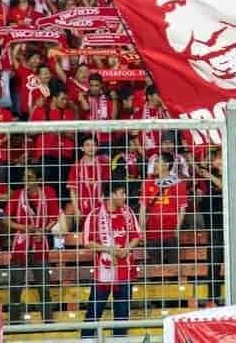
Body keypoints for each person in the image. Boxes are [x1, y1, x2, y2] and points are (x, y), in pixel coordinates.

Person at [81, 181, 141, 339]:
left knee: (122, 316)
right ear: (111, 195)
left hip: (125, 273)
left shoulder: (128, 212)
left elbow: (136, 236)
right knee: (93, 313)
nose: (124, 197)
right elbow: (87, 242)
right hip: (103, 274)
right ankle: (86, 340)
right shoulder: (94, 215)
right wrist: (109, 250)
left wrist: (126, 250)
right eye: (121, 193)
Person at [4, 166, 64, 323]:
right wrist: (25, 228)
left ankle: (48, 321)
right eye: (24, 177)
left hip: (40, 245)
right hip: (20, 246)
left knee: (43, 286)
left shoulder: (49, 193)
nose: (26, 180)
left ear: (39, 180)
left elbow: (54, 217)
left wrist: (43, 230)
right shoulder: (17, 195)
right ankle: (14, 321)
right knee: (16, 286)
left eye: (30, 177)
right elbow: (5, 219)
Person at [139, 152, 187, 265]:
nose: (154, 164)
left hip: (170, 234)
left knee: (173, 269)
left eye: (157, 161)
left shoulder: (179, 184)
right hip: (152, 234)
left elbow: (182, 209)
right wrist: (142, 231)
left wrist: (177, 229)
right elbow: (142, 209)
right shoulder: (147, 183)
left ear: (166, 165)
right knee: (155, 270)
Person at [198, 150, 223, 304]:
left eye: (219, 157)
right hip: (213, 227)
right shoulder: (208, 174)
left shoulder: (233, 172)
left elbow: (227, 187)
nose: (216, 160)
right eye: (215, 158)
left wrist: (211, 176)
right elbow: (201, 164)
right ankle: (213, 298)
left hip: (229, 226)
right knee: (213, 261)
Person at [67, 136, 110, 226]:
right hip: (83, 207)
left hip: (101, 207)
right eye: (87, 145)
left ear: (97, 147)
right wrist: (76, 209)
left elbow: (108, 188)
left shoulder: (104, 164)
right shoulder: (76, 166)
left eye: (93, 145)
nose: (91, 148)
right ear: (82, 148)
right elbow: (73, 191)